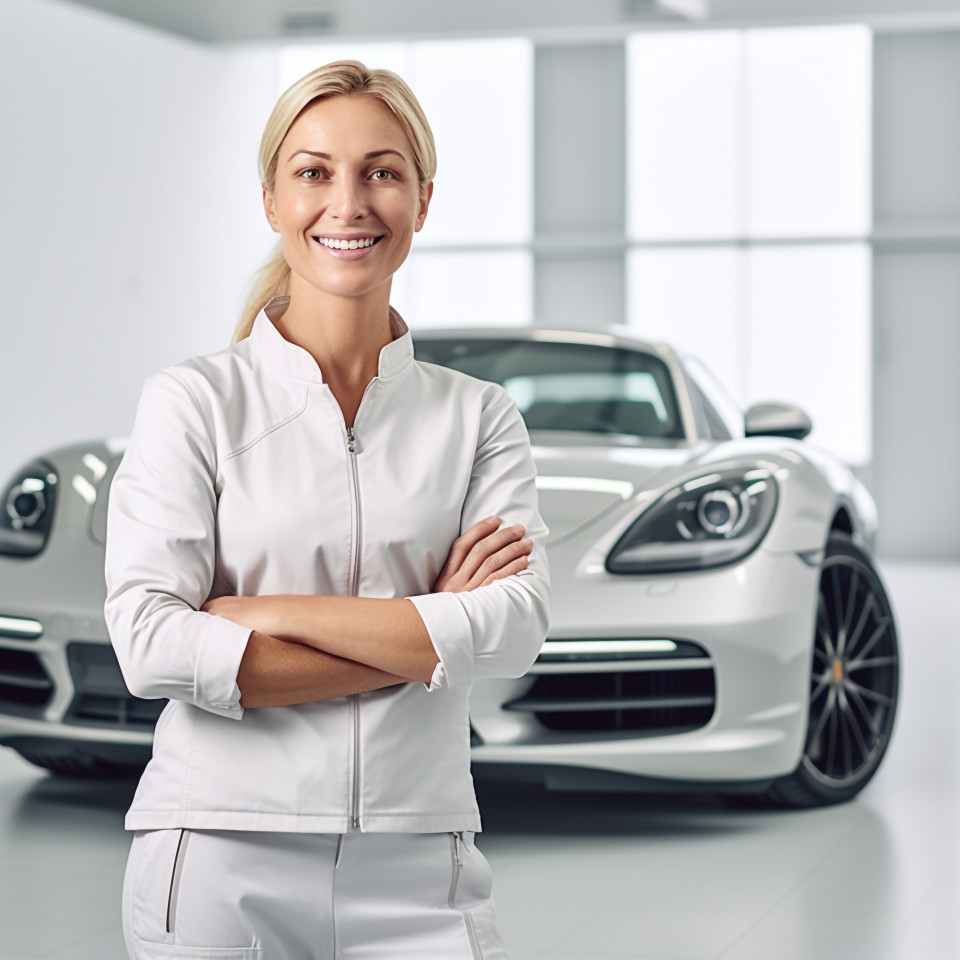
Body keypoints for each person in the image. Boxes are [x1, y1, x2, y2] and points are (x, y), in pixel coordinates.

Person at [102, 59, 550, 960]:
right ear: (271, 199)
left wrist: (261, 618)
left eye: (381, 172)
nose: (348, 203)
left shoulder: (478, 416)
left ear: (422, 201)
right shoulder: (192, 402)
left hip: (423, 860)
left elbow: (514, 629)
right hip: (219, 854)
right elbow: (150, 642)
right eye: (313, 172)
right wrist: (424, 638)